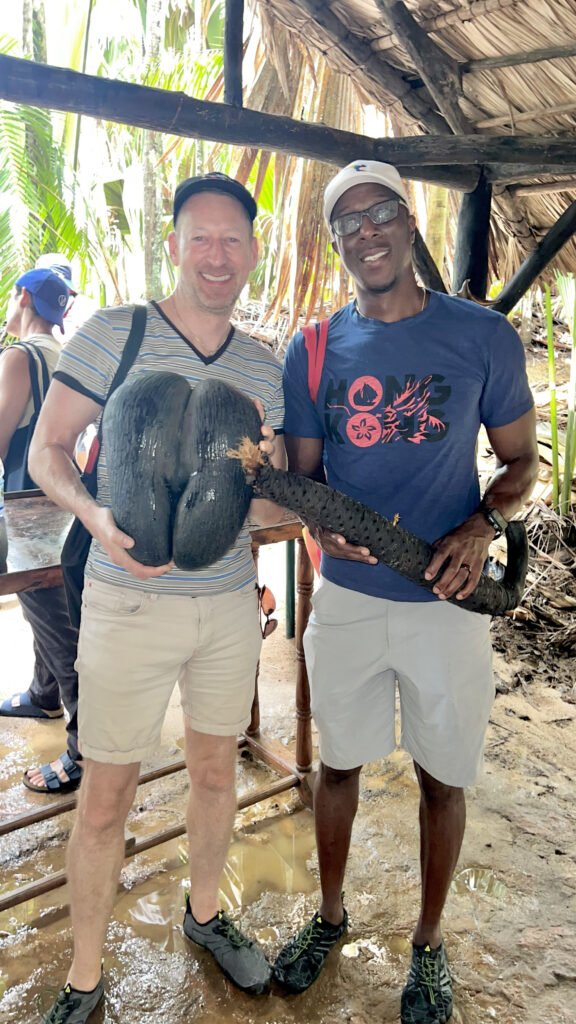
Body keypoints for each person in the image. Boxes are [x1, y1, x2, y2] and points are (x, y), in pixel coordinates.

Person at [275, 160, 539, 1024]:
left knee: (442, 777)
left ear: (409, 216)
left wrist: (479, 527)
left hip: (448, 602)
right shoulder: (312, 350)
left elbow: (521, 463)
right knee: (338, 764)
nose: (368, 233)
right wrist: (319, 527)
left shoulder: (481, 336)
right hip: (347, 598)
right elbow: (309, 483)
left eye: (381, 212)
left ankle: (428, 944)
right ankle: (330, 916)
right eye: (347, 223)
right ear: (336, 242)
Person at [29, 172, 286, 1024]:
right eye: (200, 238)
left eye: (233, 240)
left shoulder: (261, 364)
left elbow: (268, 497)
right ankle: (86, 974)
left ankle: (206, 916)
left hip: (225, 604)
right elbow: (49, 452)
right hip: (126, 602)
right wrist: (95, 516)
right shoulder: (114, 334)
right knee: (106, 796)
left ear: (253, 251)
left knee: (216, 773)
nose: (217, 255)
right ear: (172, 246)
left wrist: (312, 507)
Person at [0, 268, 83, 795]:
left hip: (31, 512)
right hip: (67, 504)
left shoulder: (17, 358)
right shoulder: (66, 356)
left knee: (57, 624)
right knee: (50, 608)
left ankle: (83, 753)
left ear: (24, 297)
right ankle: (42, 693)